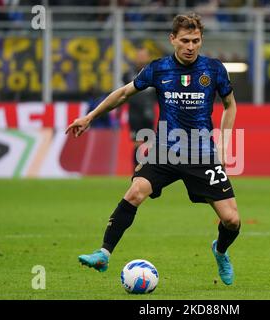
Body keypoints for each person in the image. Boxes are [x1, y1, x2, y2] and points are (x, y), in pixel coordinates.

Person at [66, 13, 240, 285]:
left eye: (196, 41)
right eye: (185, 40)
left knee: (232, 221)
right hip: (165, 151)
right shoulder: (158, 69)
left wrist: (226, 144)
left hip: (202, 154)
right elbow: (123, 93)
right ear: (172, 39)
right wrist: (89, 117)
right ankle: (103, 253)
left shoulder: (214, 69)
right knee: (135, 192)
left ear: (201, 40)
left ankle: (220, 251)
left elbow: (230, 106)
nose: (191, 46)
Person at [122, 47, 156, 170]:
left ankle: (148, 170)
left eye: (144, 55)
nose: (141, 58)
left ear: (147, 57)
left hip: (149, 113)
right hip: (134, 114)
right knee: (137, 142)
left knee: (150, 143)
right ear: (136, 57)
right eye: (139, 55)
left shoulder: (154, 73)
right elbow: (124, 93)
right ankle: (135, 170)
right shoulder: (128, 74)